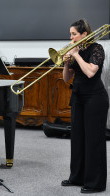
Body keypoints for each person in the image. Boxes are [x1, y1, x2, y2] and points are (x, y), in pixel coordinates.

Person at [61, 19, 109, 194]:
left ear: (84, 35)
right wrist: (66, 62)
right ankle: (77, 177)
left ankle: (95, 183)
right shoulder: (76, 51)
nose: (71, 37)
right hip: (78, 98)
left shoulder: (97, 49)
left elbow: (90, 72)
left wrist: (76, 55)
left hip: (96, 99)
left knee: (94, 141)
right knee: (78, 139)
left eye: (74, 34)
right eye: (70, 34)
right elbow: (66, 79)